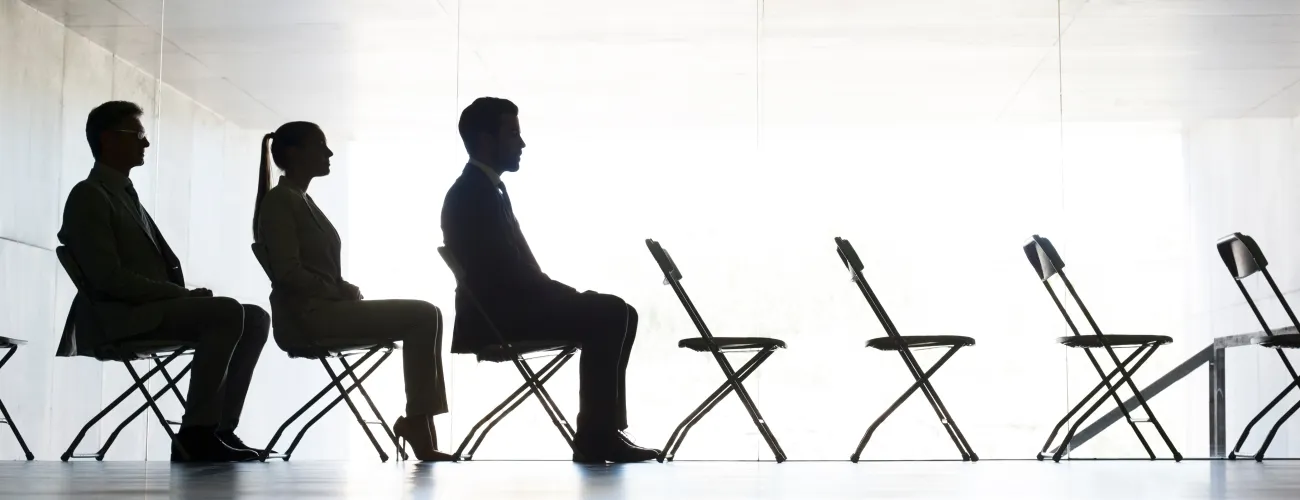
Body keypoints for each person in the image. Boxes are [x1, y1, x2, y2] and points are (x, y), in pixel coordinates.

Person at [440, 97, 658, 463]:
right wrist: (563, 295)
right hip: (500, 316)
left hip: (508, 307)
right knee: (611, 312)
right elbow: (504, 274)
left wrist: (562, 294)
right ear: (486, 140)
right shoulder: (473, 195)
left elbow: (512, 272)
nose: (522, 143)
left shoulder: (484, 189)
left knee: (622, 312)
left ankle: (604, 430)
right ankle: (596, 436)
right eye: (513, 134)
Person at [59, 101, 270, 463]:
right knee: (226, 312)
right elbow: (107, 278)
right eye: (138, 134)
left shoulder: (122, 194)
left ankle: (219, 428)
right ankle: (196, 434)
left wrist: (181, 297)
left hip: (148, 309)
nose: (146, 143)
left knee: (255, 318)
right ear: (108, 140)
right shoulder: (89, 196)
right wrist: (179, 295)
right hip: (120, 316)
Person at [252, 122, 454, 461]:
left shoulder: (300, 200)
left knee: (427, 313)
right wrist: (336, 291)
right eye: (319, 145)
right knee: (423, 314)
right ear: (293, 153)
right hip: (308, 317)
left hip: (324, 308)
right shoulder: (280, 202)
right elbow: (287, 273)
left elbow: (312, 269)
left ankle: (420, 423)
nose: (329, 152)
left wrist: (339, 286)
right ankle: (418, 424)